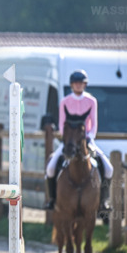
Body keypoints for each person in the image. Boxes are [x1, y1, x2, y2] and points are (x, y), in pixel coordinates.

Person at [45, 70, 113, 212]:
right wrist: (67, 138)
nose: (78, 86)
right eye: (75, 83)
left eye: (80, 83)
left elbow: (94, 124)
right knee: (51, 167)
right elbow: (62, 123)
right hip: (69, 141)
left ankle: (104, 201)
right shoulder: (65, 102)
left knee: (108, 168)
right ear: (71, 85)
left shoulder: (91, 101)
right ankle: (52, 200)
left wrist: (89, 138)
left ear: (84, 85)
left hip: (86, 140)